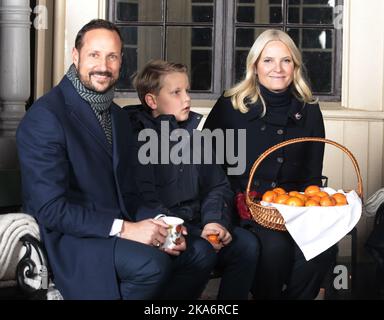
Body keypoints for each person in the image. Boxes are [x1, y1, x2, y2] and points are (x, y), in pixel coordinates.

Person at [16, 19, 216, 300]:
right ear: (76, 56)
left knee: (199, 252)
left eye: (112, 56)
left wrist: (162, 222)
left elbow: (130, 195)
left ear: (121, 60)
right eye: (94, 55)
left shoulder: (118, 118)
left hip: (118, 229)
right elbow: (51, 209)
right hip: (71, 240)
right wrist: (125, 229)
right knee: (151, 265)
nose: (104, 66)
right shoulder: (46, 116)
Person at [203, 29, 337, 299]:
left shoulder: (309, 109)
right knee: (275, 248)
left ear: (295, 66)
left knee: (323, 246)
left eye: (286, 60)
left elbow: (312, 176)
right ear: (255, 65)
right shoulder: (231, 105)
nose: (277, 68)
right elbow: (207, 167)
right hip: (244, 208)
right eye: (268, 60)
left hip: (294, 209)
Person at [124, 60, 259, 300]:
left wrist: (215, 223)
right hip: (166, 230)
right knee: (201, 250)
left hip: (201, 224)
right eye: (176, 92)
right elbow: (143, 200)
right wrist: (197, 233)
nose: (187, 99)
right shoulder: (137, 141)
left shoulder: (195, 138)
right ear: (152, 101)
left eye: (187, 91)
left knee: (246, 245)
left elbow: (217, 187)